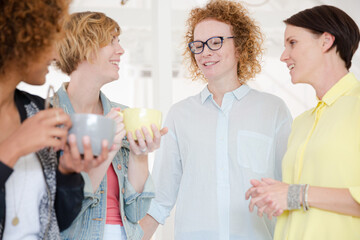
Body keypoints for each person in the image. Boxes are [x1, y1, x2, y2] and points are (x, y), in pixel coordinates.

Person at [139, 0, 292, 239]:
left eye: (215, 42)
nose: (205, 52)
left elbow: (289, 187)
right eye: (198, 45)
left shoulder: (273, 110)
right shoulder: (179, 115)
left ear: (240, 47)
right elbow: (160, 200)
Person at [245, 5, 360, 240]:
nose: (283, 55)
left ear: (325, 41)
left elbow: (299, 196)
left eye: (293, 43)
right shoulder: (301, 123)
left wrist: (296, 194)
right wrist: (276, 195)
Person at [0, 0, 109, 239]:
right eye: (50, 37)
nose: (56, 53)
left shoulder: (37, 111)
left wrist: (68, 171)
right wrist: (12, 148)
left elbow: (58, 219)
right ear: (21, 36)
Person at [55, 12, 167, 240]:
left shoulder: (123, 115)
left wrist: (140, 154)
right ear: (84, 47)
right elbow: (57, 213)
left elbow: (136, 212)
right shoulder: (47, 117)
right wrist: (107, 149)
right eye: (111, 41)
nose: (121, 50)